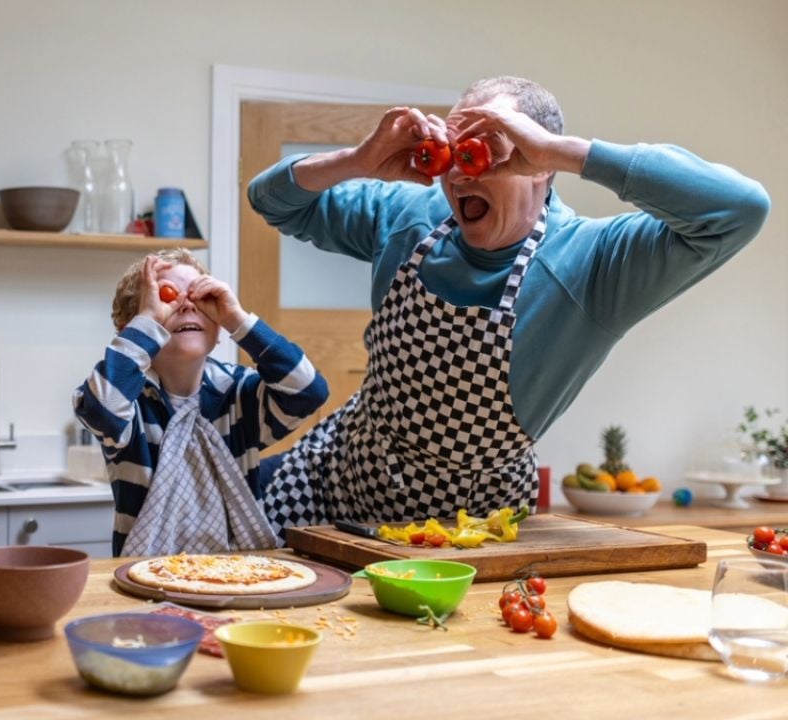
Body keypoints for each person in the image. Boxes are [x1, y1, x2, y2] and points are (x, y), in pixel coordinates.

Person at [248, 76, 771, 536]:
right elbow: (271, 199)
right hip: (330, 488)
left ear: (540, 165)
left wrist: (565, 152)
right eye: (455, 152)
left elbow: (739, 209)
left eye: (488, 150)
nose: (459, 174)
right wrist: (358, 160)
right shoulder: (409, 216)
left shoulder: (592, 262)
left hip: (469, 531)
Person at [73, 248, 328, 556]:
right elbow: (102, 407)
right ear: (137, 329)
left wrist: (238, 320)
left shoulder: (238, 394)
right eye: (166, 299)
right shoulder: (130, 400)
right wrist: (149, 320)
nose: (186, 307)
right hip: (146, 573)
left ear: (219, 330)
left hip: (240, 570)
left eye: (200, 300)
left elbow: (309, 390)